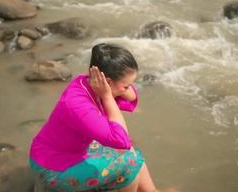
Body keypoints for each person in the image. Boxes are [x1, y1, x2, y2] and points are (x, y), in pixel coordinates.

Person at [29, 43, 157, 192]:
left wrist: (118, 90)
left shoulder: (88, 83)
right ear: (107, 82)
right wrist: (108, 96)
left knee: (132, 149)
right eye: (126, 86)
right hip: (52, 166)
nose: (128, 90)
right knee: (130, 161)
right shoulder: (78, 104)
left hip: (71, 151)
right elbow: (121, 141)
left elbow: (131, 98)